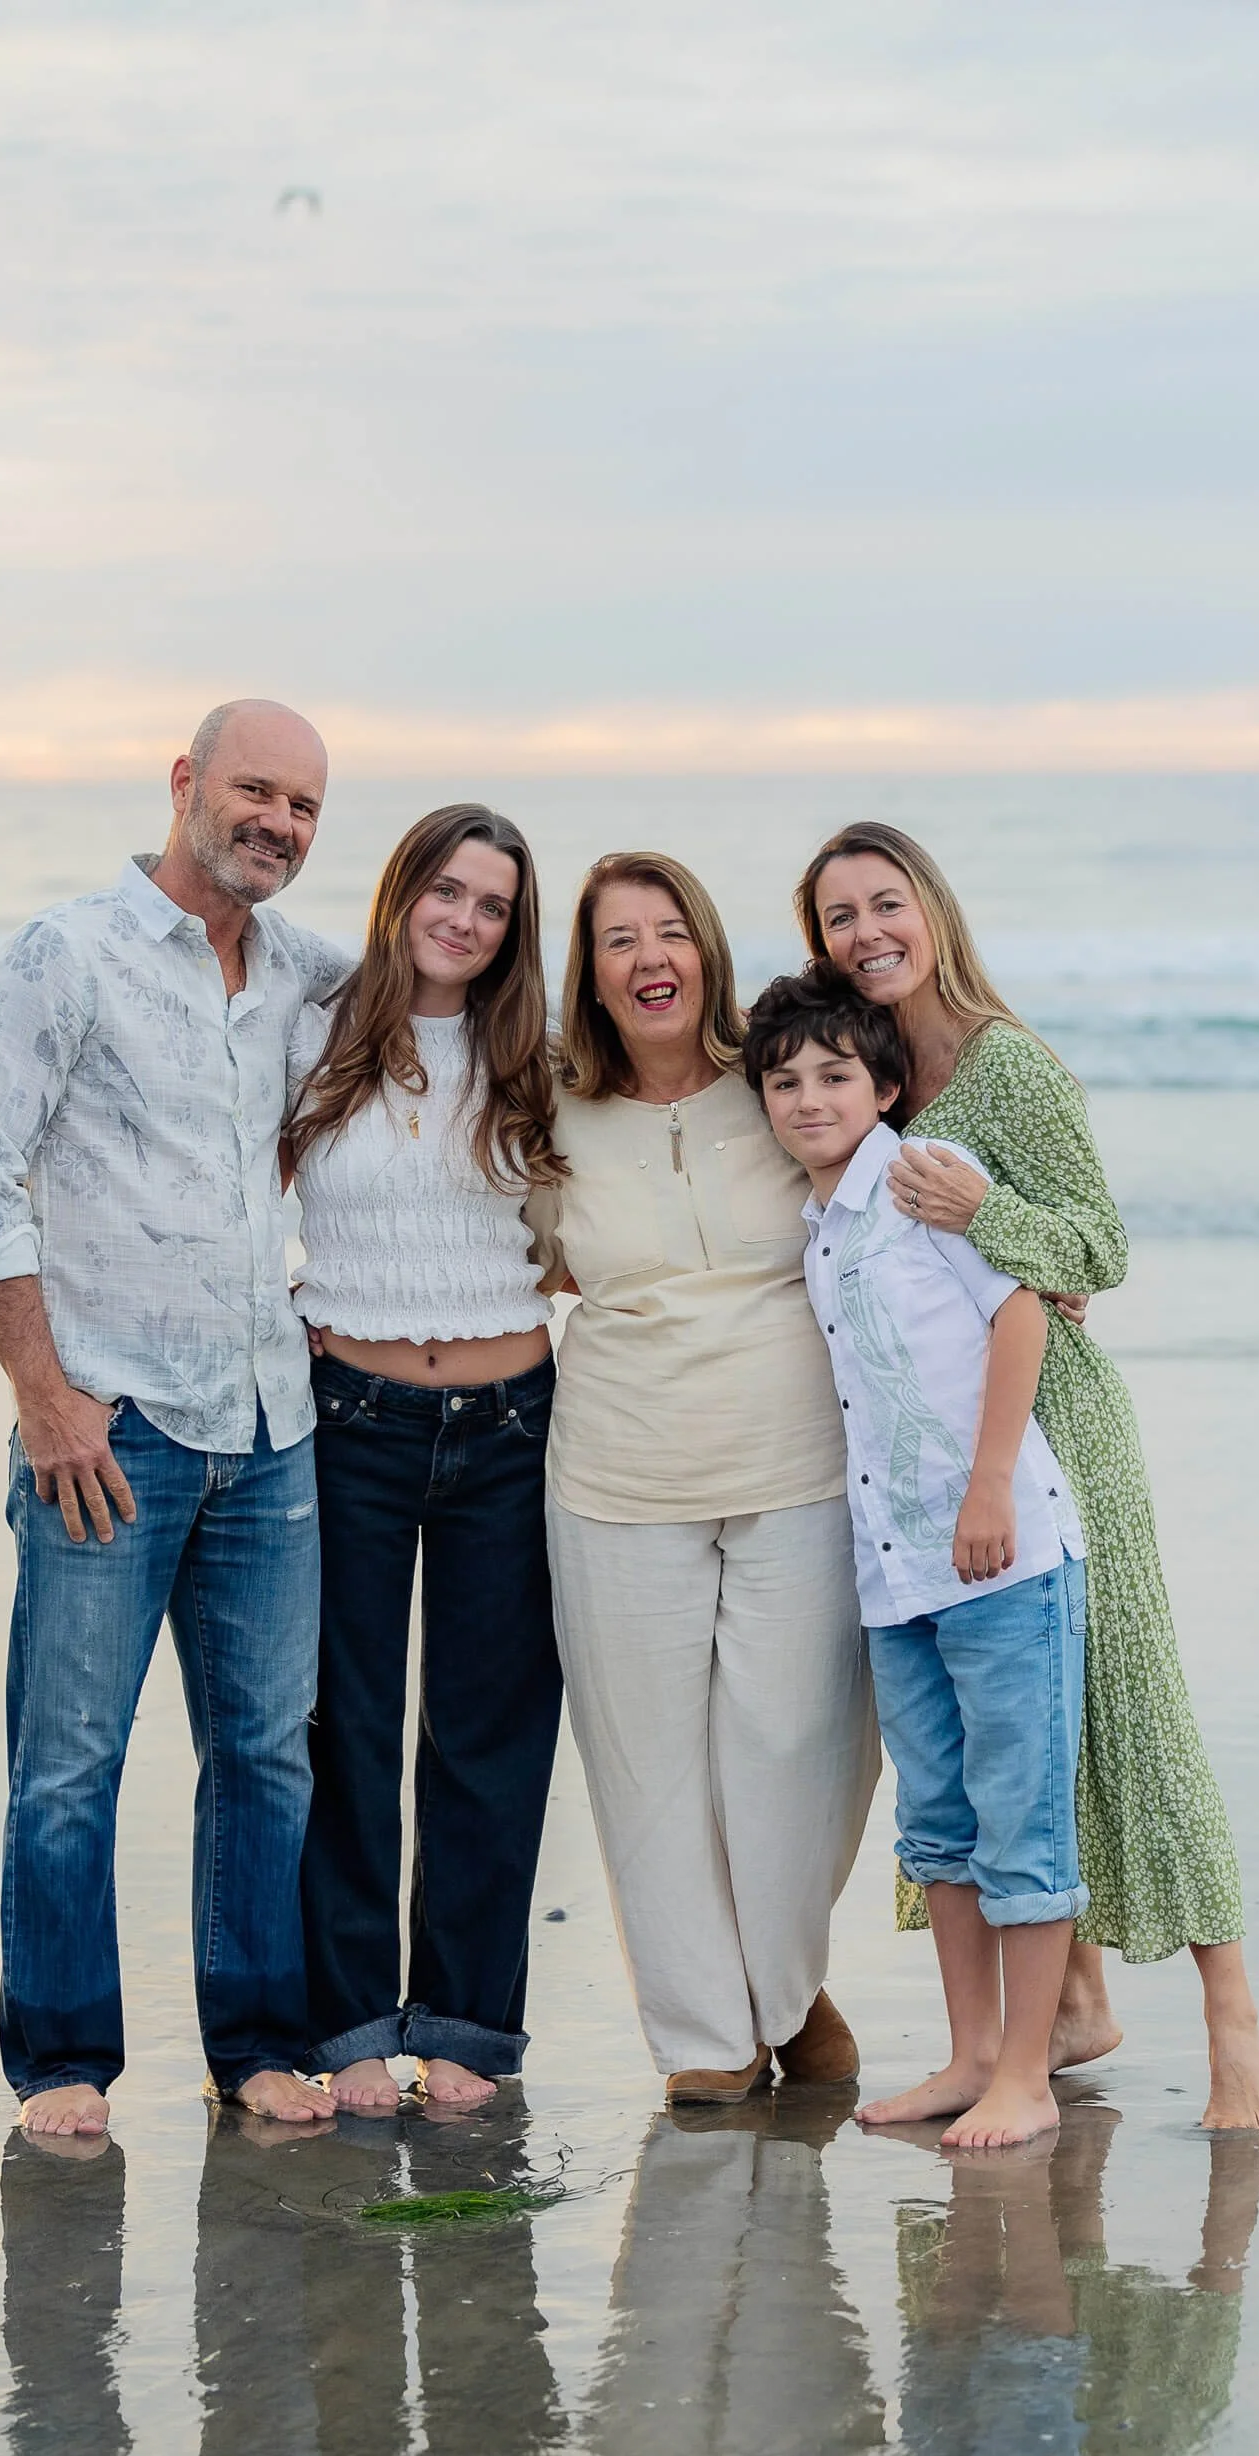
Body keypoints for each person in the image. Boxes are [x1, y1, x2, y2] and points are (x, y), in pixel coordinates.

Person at [794, 820, 1259, 2131]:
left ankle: (1231, 2021)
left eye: (883, 904)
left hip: (1060, 1429)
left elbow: (1096, 1248)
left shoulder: (1008, 1068)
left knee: (1126, 1719)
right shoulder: (864, 1067)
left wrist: (984, 1220)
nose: (864, 934)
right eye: (837, 918)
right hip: (934, 1445)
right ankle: (1068, 2009)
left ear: (929, 910)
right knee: (1011, 1748)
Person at [0, 699, 347, 2138]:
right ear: (184, 783)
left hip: (271, 1429)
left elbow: (456, 1035)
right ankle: (61, 2062)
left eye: (301, 806)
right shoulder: (68, 954)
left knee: (265, 1757)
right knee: (67, 1764)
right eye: (252, 791)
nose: (276, 825)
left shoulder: (307, 972)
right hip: (109, 1436)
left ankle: (255, 2047)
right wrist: (44, 1401)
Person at [527, 852, 878, 2107]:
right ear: (591, 970)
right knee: (647, 1768)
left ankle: (784, 1991)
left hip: (797, 1465)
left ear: (706, 949)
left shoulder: (776, 1076)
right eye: (618, 940)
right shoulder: (545, 1106)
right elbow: (502, 1258)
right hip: (615, 1474)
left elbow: (886, 1184)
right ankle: (705, 2039)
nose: (648, 958)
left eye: (668, 931)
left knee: (800, 1749)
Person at [748, 968, 1089, 2147]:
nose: (806, 1098)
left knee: (1021, 1818)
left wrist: (990, 1483)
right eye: (782, 1081)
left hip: (1002, 1557)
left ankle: (1027, 2076)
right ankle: (971, 2054)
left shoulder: (923, 1184)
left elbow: (1021, 1314)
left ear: (884, 1085)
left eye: (833, 1075)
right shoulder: (813, 1232)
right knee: (936, 1823)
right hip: (894, 1578)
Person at [286, 805, 566, 2112]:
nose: (463, 919)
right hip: (347, 1417)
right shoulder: (313, 1024)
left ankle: (462, 2025)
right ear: (400, 894)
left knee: (486, 1738)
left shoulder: (541, 1059)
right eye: (444, 890)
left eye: (492, 904)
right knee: (343, 1725)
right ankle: (344, 2026)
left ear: (514, 928)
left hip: (513, 1426)